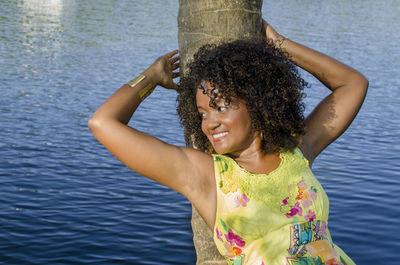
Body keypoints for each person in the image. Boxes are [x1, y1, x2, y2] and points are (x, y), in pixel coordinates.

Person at [88, 20, 368, 265]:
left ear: (257, 102)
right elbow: (102, 123)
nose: (209, 123)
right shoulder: (207, 176)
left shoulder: (297, 152)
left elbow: (353, 84)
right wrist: (150, 77)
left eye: (221, 107)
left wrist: (277, 43)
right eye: (202, 113)